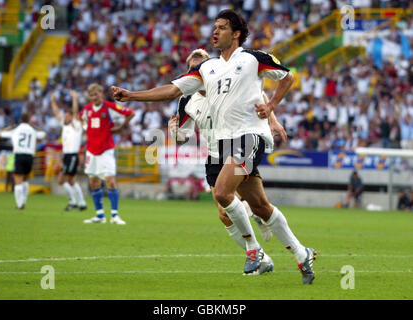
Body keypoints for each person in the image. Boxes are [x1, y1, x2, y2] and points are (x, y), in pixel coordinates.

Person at [111, 10, 316, 283]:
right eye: (214, 27)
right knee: (260, 207)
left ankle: (254, 250)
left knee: (221, 193)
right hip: (220, 146)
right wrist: (132, 96)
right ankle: (303, 255)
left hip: (248, 137)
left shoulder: (254, 58)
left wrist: (270, 107)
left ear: (236, 33)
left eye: (221, 27)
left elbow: (287, 78)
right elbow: (172, 91)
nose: (215, 32)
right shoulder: (207, 69)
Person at [169, 48, 290, 264]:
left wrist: (273, 120)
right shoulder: (187, 100)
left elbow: (259, 95)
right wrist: (174, 132)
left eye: (198, 67)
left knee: (234, 199)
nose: (195, 72)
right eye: (191, 69)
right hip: (215, 154)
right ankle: (261, 257)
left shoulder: (229, 85)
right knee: (224, 214)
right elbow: (181, 138)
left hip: (238, 146)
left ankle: (257, 229)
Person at [80, 83, 134, 225]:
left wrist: (120, 127)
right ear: (89, 97)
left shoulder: (109, 107)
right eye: (92, 95)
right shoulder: (86, 110)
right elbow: (83, 123)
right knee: (93, 182)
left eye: (96, 94)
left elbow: (130, 113)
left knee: (110, 181)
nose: (94, 97)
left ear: (101, 94)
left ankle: (115, 215)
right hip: (91, 150)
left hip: (106, 150)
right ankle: (99, 215)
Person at [0, 113, 46, 210]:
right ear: (29, 120)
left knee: (18, 181)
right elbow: (43, 134)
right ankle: (24, 201)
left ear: (20, 119)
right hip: (29, 156)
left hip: (19, 155)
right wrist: (34, 126)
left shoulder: (16, 130)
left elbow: (2, 134)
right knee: (25, 180)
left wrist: (10, 127)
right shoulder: (32, 130)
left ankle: (20, 204)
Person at [51, 90, 87, 211]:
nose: (65, 117)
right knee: (68, 181)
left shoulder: (76, 124)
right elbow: (56, 113)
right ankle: (79, 203)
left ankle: (76, 202)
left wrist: (74, 97)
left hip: (73, 155)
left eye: (67, 115)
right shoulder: (65, 125)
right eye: (65, 115)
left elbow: (75, 110)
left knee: (64, 179)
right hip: (66, 155)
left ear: (72, 117)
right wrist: (52, 101)